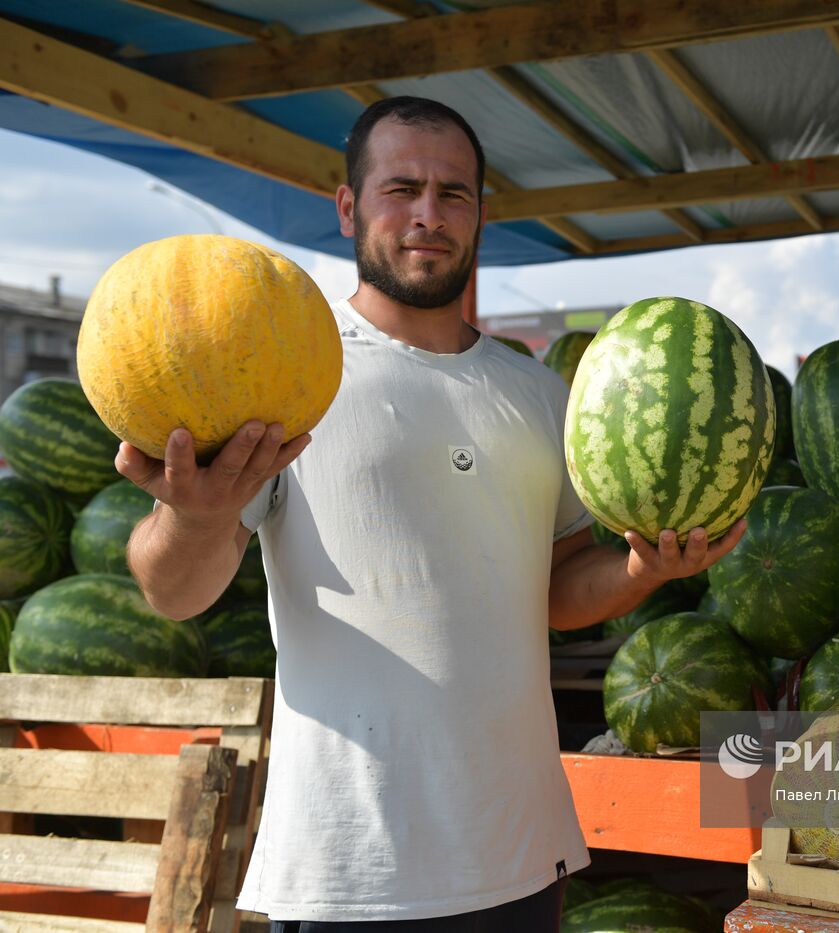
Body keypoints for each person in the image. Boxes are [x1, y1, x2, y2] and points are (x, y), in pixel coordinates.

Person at [120, 96, 745, 932]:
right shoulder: (289, 376)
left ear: (481, 212)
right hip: (355, 868)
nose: (429, 214)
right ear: (349, 207)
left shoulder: (540, 392)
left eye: (453, 193)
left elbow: (559, 591)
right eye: (401, 188)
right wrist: (192, 520)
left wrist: (641, 570)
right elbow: (174, 592)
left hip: (522, 850)